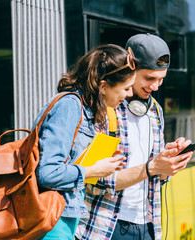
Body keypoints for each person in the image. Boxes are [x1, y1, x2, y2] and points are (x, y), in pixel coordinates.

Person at [76, 34, 192, 240]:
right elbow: (94, 180)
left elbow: (157, 178)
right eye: (149, 78)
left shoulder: (154, 110)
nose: (156, 87)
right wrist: (152, 167)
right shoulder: (106, 106)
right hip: (107, 228)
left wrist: (169, 163)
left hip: (148, 226)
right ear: (130, 67)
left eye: (161, 79)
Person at [33, 44, 138, 239]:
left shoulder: (83, 108)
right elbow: (48, 173)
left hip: (63, 216)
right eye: (126, 88)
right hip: (51, 221)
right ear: (104, 86)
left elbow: (67, 162)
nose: (130, 94)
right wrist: (94, 170)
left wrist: (98, 160)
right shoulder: (69, 107)